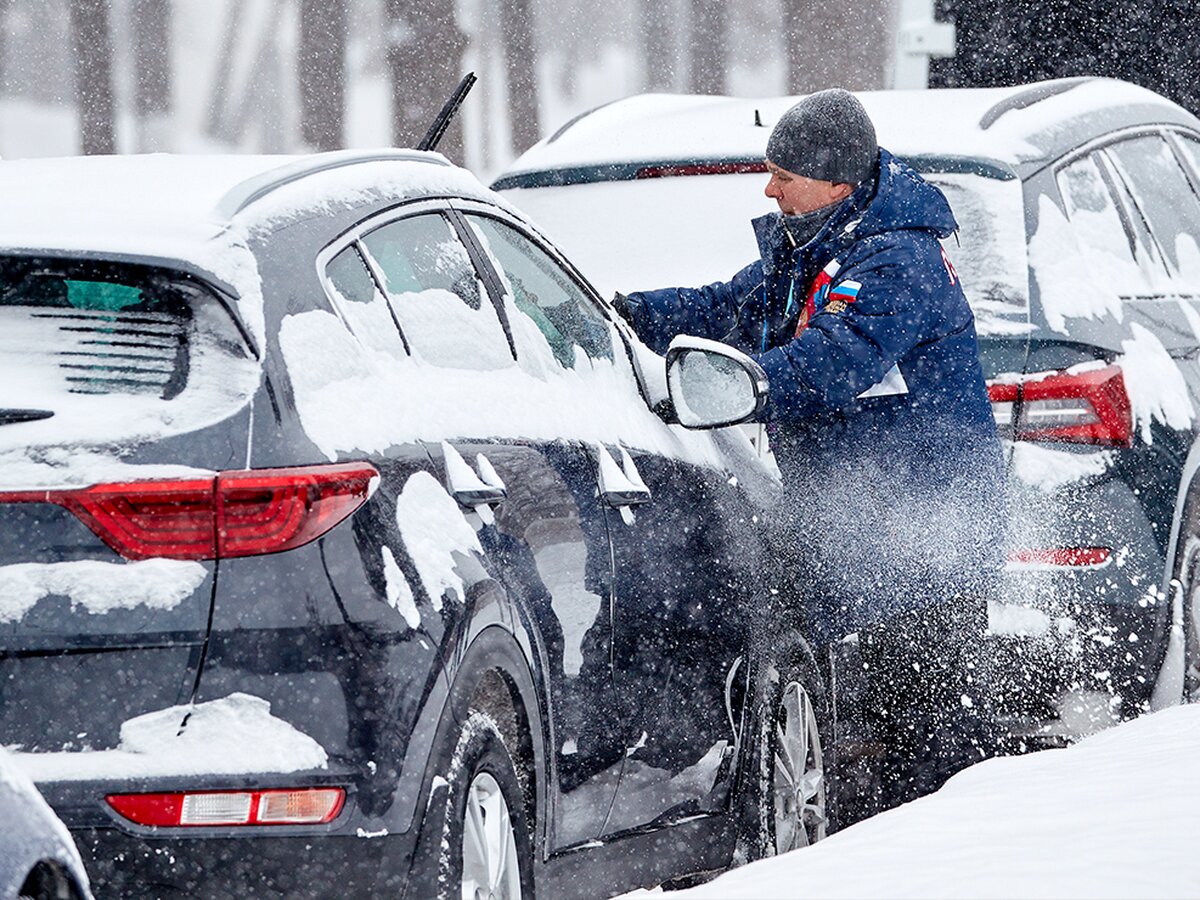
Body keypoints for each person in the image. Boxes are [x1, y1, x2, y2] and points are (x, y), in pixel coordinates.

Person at [612, 88, 1006, 816]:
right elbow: (722, 306)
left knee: (929, 746)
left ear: (835, 182)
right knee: (873, 731)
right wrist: (621, 314)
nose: (769, 189)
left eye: (782, 176)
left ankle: (950, 865)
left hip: (926, 543)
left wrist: (744, 385)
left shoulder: (897, 261)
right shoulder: (817, 246)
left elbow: (832, 359)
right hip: (861, 531)